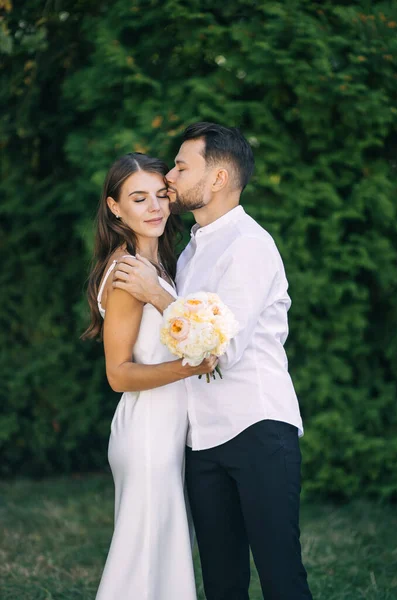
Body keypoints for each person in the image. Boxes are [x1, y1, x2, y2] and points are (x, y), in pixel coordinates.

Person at [113, 123, 313, 599]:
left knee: (281, 576)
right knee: (222, 583)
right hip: (202, 440)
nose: (171, 178)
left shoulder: (249, 245)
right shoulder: (190, 250)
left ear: (219, 178)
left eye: (182, 166)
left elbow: (221, 349)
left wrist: (157, 295)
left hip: (257, 428)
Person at [82, 152, 218, 600]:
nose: (155, 207)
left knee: (164, 557)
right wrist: (191, 366)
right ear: (115, 207)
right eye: (139, 199)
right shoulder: (127, 273)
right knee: (139, 564)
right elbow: (118, 375)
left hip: (167, 433)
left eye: (161, 195)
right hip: (145, 437)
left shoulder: (160, 266)